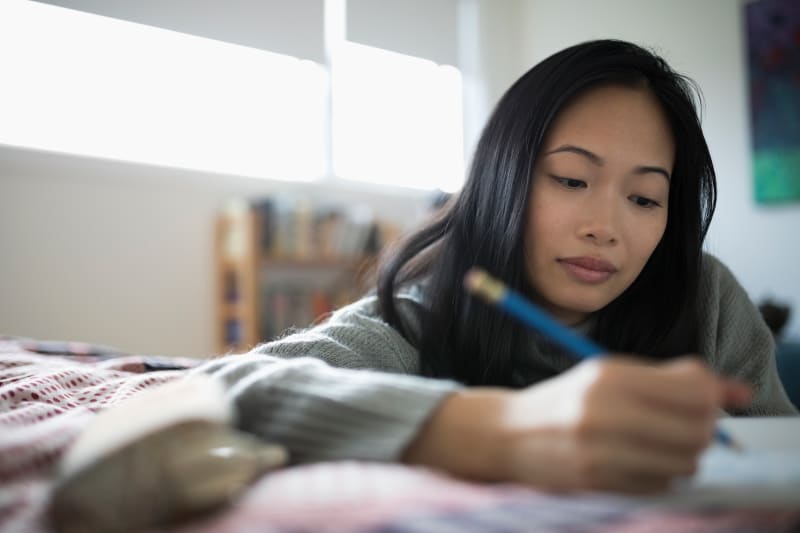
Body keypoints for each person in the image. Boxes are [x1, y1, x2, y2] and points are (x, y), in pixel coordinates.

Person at [193, 39, 797, 494]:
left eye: (644, 198)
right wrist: (500, 429)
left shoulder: (704, 297)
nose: (605, 227)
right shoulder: (420, 317)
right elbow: (224, 392)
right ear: (501, 177)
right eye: (571, 179)